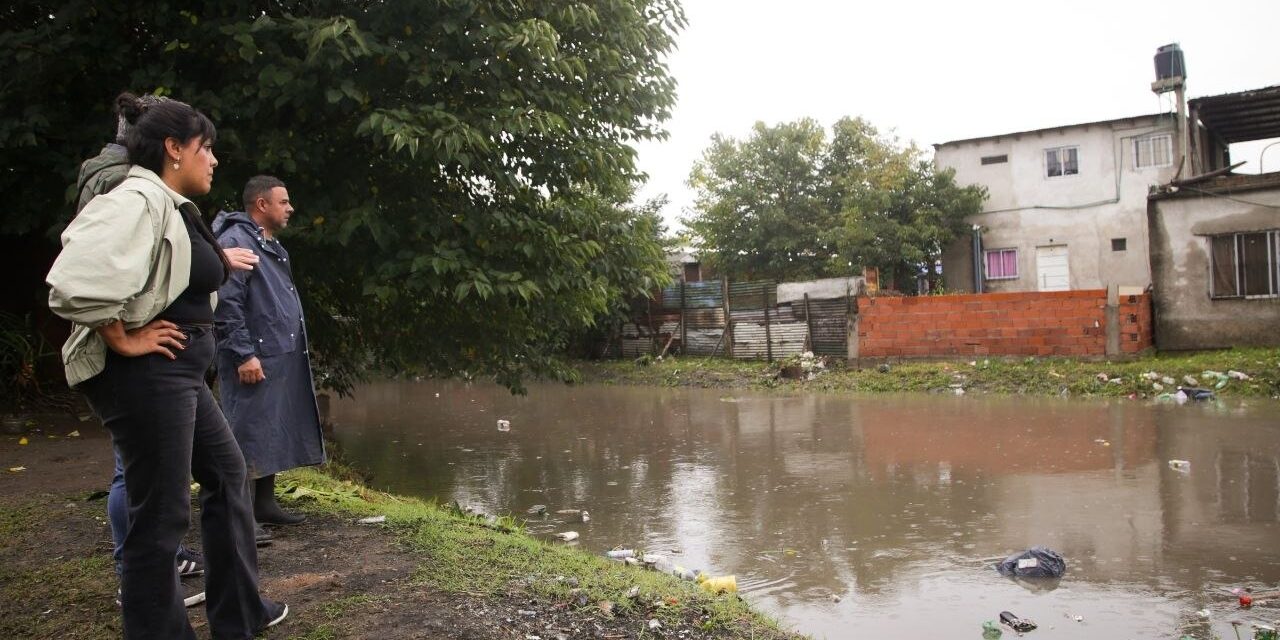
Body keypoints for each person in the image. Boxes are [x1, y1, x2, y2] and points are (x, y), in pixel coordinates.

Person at [47, 93, 286, 639]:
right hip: (147, 376)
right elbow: (72, 282)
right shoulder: (137, 198)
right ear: (174, 149)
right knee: (159, 517)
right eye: (207, 148)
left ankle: (239, 616)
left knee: (227, 475)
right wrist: (121, 336)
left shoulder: (170, 204)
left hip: (178, 372)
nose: (215, 160)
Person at [213, 176, 326, 529]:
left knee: (269, 428)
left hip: (277, 354)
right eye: (284, 202)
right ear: (262, 205)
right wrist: (243, 353)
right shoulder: (236, 241)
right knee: (245, 432)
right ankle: (240, 516)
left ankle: (263, 504)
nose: (290, 208)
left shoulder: (267, 242)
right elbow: (226, 303)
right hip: (252, 356)